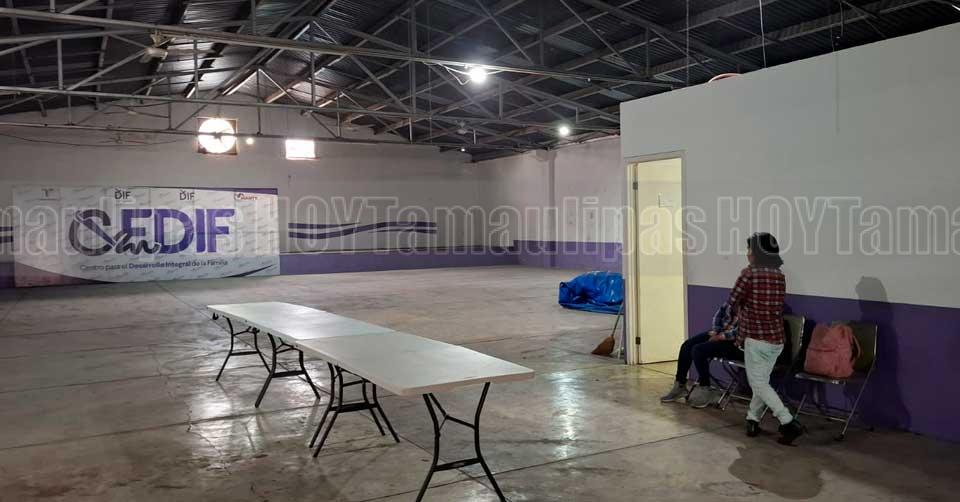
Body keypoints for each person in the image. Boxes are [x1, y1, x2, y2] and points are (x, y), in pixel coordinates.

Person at [728, 232, 803, 445]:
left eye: (749, 249)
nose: (747, 253)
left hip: (756, 338)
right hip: (776, 339)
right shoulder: (779, 275)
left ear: (757, 252)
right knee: (762, 382)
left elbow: (733, 299)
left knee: (759, 383)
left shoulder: (749, 273)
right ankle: (752, 419)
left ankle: (788, 422)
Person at [661, 303, 741, 408]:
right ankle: (680, 385)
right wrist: (716, 331)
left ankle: (705, 388)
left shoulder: (752, 307)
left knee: (698, 350)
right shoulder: (730, 303)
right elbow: (718, 316)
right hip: (721, 332)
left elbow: (741, 332)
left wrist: (721, 336)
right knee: (687, 345)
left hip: (736, 342)